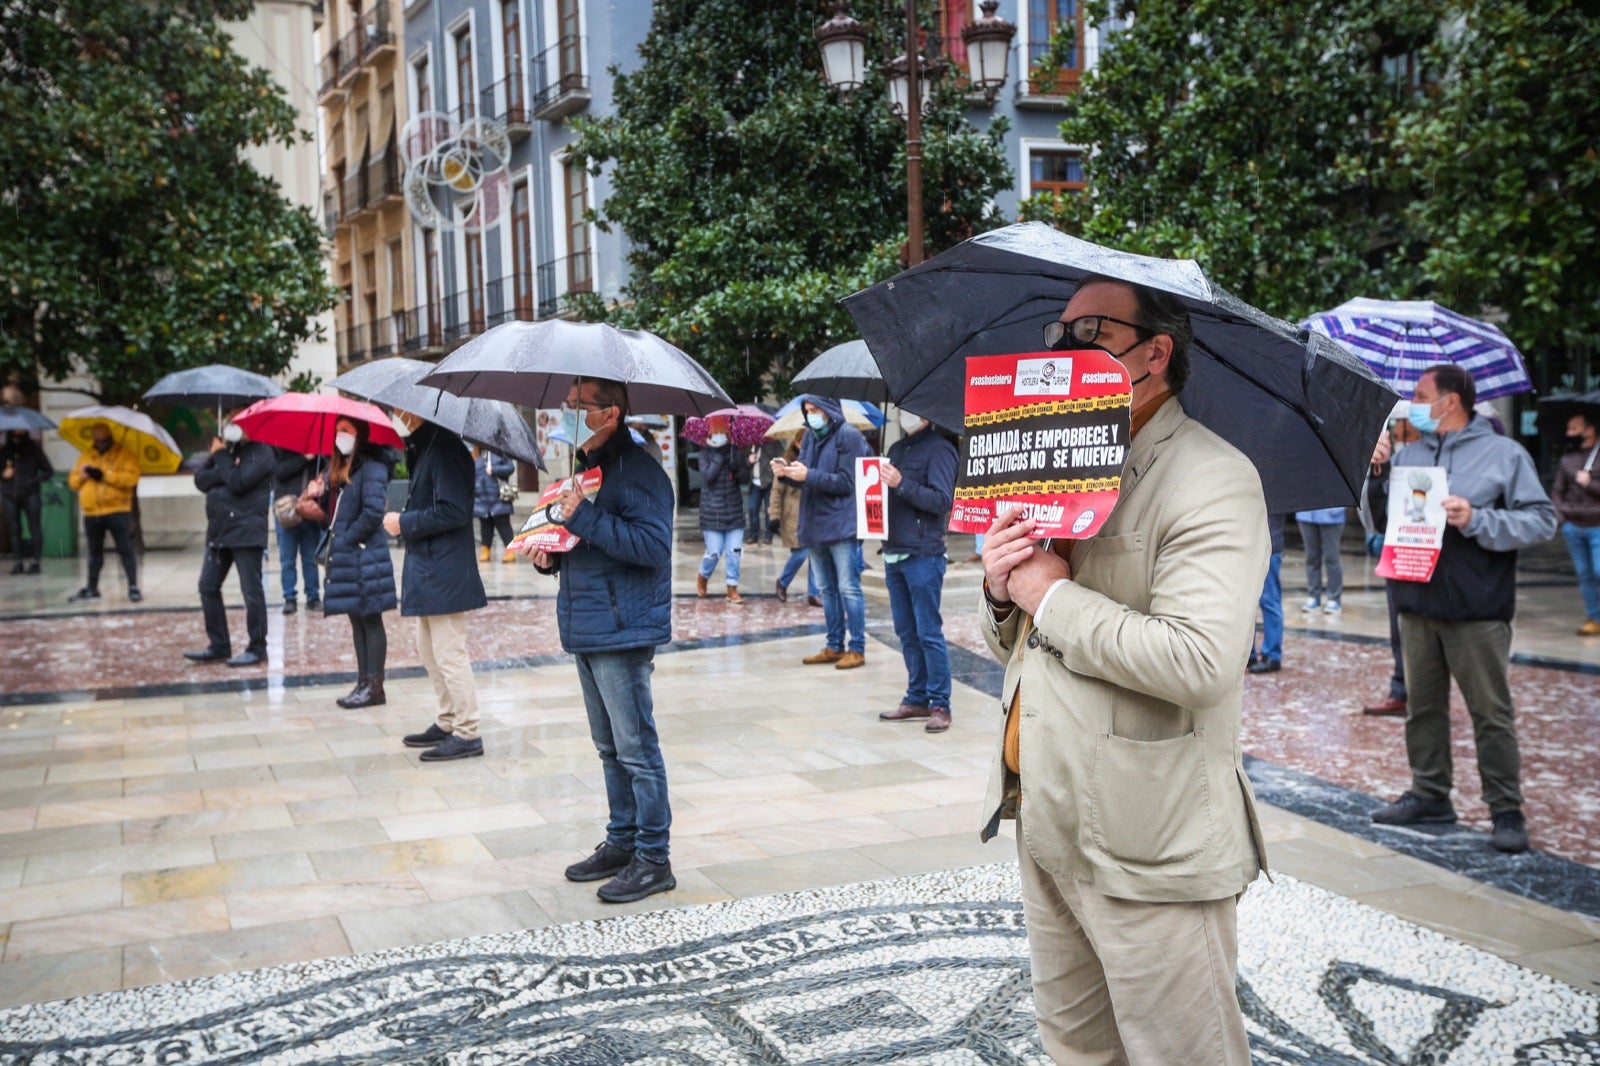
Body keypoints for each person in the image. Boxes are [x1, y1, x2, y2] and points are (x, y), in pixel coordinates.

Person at [979, 276, 1267, 1062]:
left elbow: (1199, 661)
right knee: (1076, 1048)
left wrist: (1051, 591)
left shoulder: (1212, 476)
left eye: (1091, 331)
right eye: (1059, 331)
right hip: (1048, 813)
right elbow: (1015, 642)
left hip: (1150, 837)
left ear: (1156, 351)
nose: (1065, 348)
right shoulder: (1050, 466)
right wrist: (1001, 588)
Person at [1369, 364, 1555, 855]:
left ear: (1450, 401)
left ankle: (1505, 808)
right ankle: (1430, 794)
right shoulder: (1410, 453)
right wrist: (1376, 471)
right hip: (1415, 602)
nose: (1412, 403)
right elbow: (1380, 520)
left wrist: (1477, 518)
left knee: (1491, 713)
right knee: (1422, 709)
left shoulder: (1504, 454)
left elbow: (1540, 521)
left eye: (1420, 394)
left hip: (1477, 610)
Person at [523, 376, 677, 904]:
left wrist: (582, 516)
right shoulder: (587, 470)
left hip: (622, 628)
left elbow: (653, 546)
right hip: (588, 624)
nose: (567, 414)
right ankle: (621, 841)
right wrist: (552, 555)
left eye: (577, 406)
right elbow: (591, 542)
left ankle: (654, 858)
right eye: (567, 405)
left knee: (636, 750)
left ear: (609, 413)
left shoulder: (638, 470)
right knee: (609, 748)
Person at [386, 409, 489, 762]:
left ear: (416, 410)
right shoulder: (424, 445)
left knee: (449, 652)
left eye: (398, 410)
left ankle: (467, 731)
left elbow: (454, 510)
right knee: (428, 650)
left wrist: (404, 522)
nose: (395, 415)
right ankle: (447, 720)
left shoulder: (445, 447)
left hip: (444, 568)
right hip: (429, 565)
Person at [300, 418, 396, 707]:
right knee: (356, 618)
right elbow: (335, 515)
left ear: (361, 436)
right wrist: (320, 495)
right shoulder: (340, 469)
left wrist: (347, 538)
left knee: (371, 618)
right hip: (349, 556)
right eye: (338, 431)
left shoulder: (373, 468)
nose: (341, 436)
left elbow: (372, 512)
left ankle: (375, 686)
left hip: (367, 554)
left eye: (348, 431)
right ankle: (362, 682)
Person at [876, 410, 958, 732]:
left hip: (923, 554)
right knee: (906, 632)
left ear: (925, 413)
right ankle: (917, 697)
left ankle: (940, 704)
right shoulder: (897, 449)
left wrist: (901, 483)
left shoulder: (940, 449)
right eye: (899, 409)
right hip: (893, 551)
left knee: (928, 632)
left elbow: (940, 501)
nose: (903, 414)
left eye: (909, 409)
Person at [775, 395, 871, 669]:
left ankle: (857, 648)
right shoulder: (810, 437)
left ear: (829, 410)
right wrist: (785, 473)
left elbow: (846, 481)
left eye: (815, 410)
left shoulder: (848, 435)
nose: (811, 415)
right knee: (827, 589)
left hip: (841, 525)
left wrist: (808, 476)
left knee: (848, 588)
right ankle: (833, 645)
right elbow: (804, 475)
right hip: (814, 524)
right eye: (807, 411)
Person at [186, 415, 274, 667]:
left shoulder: (262, 452)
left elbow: (238, 482)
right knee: (207, 587)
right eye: (227, 421)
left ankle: (258, 647)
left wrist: (223, 460)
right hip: (219, 531)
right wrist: (225, 463)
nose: (230, 425)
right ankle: (219, 644)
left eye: (236, 420)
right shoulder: (225, 451)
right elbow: (201, 480)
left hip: (247, 531)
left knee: (251, 592)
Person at [1358, 405, 1419, 716]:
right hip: (1402, 555)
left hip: (1445, 562)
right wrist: (1377, 469)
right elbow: (1376, 520)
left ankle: (1431, 694)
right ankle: (1402, 689)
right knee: (1401, 627)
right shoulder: (1397, 459)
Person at [65, 423, 142, 602]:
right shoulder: (86, 456)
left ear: (110, 438)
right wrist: (83, 476)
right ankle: (92, 587)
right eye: (98, 440)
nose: (101, 443)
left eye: (104, 440)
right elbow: (73, 482)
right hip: (92, 512)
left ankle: (133, 586)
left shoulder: (125, 455)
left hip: (117, 510)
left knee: (125, 549)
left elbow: (131, 478)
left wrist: (105, 475)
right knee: (94, 552)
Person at [1553, 411, 1600, 636]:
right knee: (1584, 573)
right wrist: (1562, 518)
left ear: (1589, 430)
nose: (1568, 433)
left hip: (1598, 525)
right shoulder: (1567, 459)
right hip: (1573, 525)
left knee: (1599, 570)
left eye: (1574, 429)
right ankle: (1594, 617)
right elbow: (1558, 491)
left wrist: (1590, 483)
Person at [694, 417, 748, 604]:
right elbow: (708, 476)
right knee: (714, 551)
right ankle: (703, 575)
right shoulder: (704, 454)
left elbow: (744, 478)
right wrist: (718, 456)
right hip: (712, 510)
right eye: (715, 433)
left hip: (734, 509)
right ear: (709, 435)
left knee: (734, 551)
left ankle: (732, 587)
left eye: (722, 433)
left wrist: (736, 465)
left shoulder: (735, 451)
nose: (719, 436)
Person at [769, 435, 820, 606]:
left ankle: (814, 592)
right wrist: (774, 516)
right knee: (800, 553)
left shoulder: (816, 458)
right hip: (793, 516)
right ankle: (782, 582)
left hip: (813, 513)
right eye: (801, 440)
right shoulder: (786, 462)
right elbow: (776, 492)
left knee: (815, 553)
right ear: (795, 442)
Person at [272, 448, 322, 615]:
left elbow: (323, 471)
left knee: (310, 558)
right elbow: (278, 472)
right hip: (288, 510)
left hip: (309, 509)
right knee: (287, 559)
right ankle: (289, 597)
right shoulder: (280, 445)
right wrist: (303, 458)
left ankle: (313, 597)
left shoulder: (318, 447)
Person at [2, 429, 52, 575]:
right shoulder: (5, 450)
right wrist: (3, 474)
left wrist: (32, 480)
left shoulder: (34, 450)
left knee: (34, 528)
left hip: (30, 494)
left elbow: (48, 471)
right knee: (14, 529)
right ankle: (18, 562)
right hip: (9, 494)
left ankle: (35, 562)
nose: (18, 431)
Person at [1248, 513, 1287, 674]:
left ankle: (1272, 655)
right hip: (1248, 546)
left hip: (1269, 546)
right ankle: (1247, 654)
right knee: (1246, 603)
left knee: (1269, 602)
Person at [1295, 505, 1346, 615]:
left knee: (1332, 558)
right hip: (1306, 514)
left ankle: (1334, 598)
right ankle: (1313, 596)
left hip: (1332, 515)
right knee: (1311, 558)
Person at [472, 446, 518, 564]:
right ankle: (485, 550)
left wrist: (494, 469)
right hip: (481, 497)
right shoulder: (476, 454)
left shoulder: (501, 453)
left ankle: (510, 550)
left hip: (498, 497)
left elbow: (510, 468)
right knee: (485, 525)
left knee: (503, 524)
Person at [747, 436, 786, 545]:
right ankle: (753, 535)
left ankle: (768, 536)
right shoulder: (753, 443)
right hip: (754, 482)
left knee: (769, 510)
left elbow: (781, 459)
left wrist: (771, 469)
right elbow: (745, 462)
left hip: (769, 482)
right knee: (752, 509)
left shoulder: (774, 443)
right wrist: (749, 460)